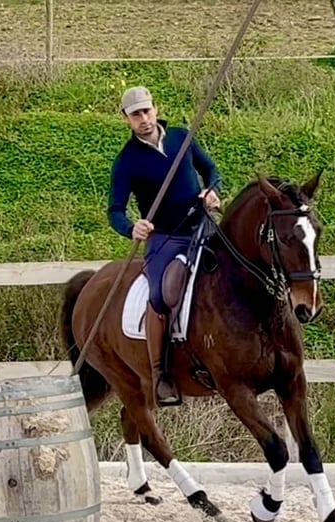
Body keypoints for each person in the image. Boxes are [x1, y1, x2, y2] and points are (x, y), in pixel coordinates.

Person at [108, 86, 222, 407]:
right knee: (160, 294)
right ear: (126, 119)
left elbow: (211, 170)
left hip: (202, 228)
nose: (143, 119)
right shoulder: (127, 162)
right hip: (164, 239)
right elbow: (114, 210)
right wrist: (133, 227)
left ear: (155, 109)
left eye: (146, 111)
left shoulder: (180, 137)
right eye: (135, 115)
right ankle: (162, 374)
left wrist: (212, 192)